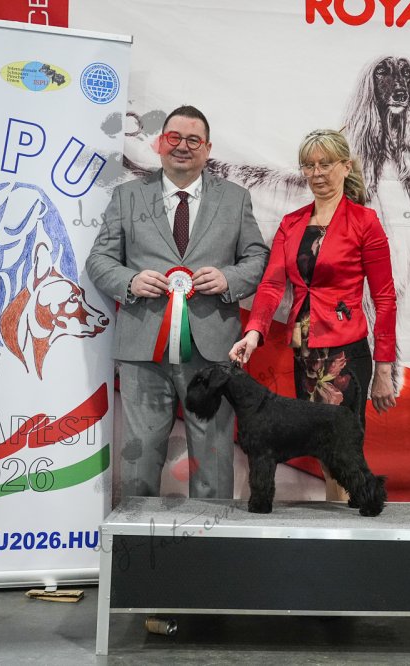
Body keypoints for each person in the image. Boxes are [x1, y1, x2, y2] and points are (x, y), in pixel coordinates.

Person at [86, 105, 269, 499]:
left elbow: (257, 257)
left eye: (193, 140)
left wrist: (229, 278)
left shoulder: (236, 199)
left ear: (208, 148)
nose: (182, 147)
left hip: (213, 351)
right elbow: (99, 260)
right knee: (139, 455)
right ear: (160, 143)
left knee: (214, 458)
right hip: (142, 350)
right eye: (174, 138)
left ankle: (212, 537)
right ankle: (136, 535)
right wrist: (130, 280)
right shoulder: (127, 196)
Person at [229, 129, 397, 501]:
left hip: (345, 353)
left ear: (346, 166)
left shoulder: (365, 221)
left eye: (325, 164)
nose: (316, 173)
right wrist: (253, 332)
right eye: (308, 165)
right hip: (304, 352)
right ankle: (339, 516)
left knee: (341, 450)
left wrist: (384, 369)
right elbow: (272, 285)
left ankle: (348, 519)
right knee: (322, 451)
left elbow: (385, 298)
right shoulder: (291, 223)